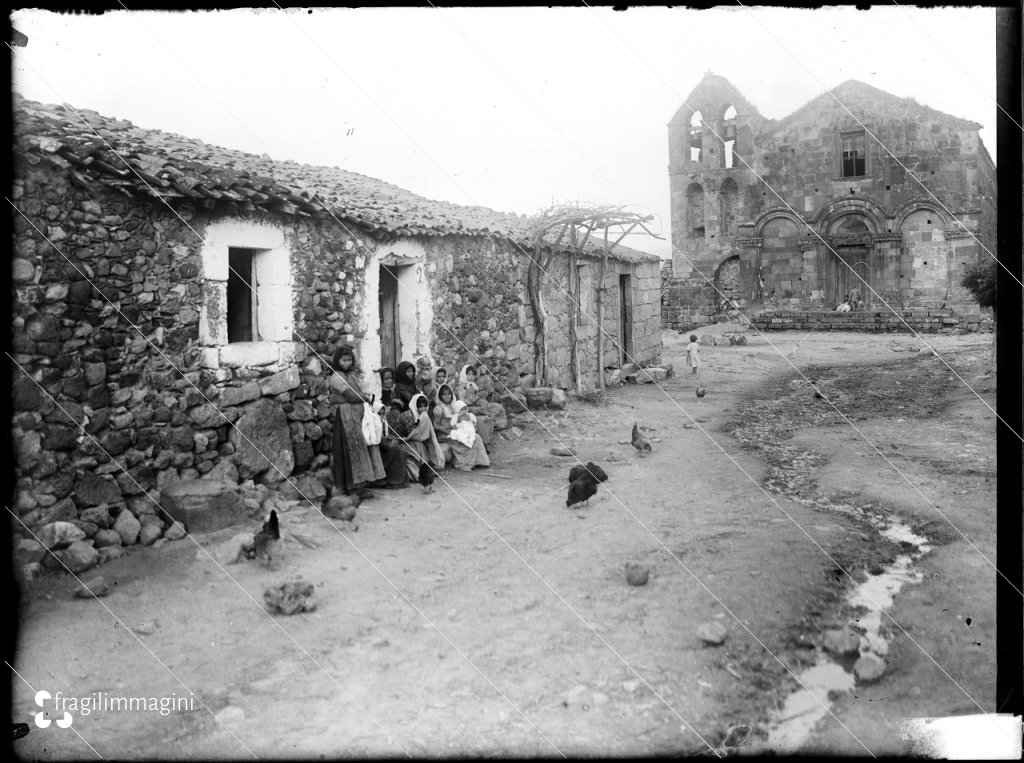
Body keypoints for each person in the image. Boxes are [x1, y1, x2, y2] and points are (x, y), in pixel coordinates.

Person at [329, 345, 386, 496]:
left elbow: (354, 394)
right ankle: (351, 488)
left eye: (349, 360)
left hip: (356, 417)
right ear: (337, 361)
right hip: (345, 418)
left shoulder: (351, 376)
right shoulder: (336, 377)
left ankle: (362, 486)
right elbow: (351, 396)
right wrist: (365, 397)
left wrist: (360, 396)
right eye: (343, 360)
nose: (347, 363)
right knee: (352, 451)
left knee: (362, 448)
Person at [398, 393, 446, 481]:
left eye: (425, 406)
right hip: (401, 442)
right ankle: (420, 475)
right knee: (419, 446)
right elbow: (412, 434)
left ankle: (426, 472)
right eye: (420, 406)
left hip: (414, 441)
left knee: (422, 445)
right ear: (415, 406)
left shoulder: (423, 416)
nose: (423, 409)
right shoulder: (408, 416)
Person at [448, 400, 490, 471]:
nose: (464, 411)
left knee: (476, 438)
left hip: (469, 430)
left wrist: (471, 421)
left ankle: (481, 461)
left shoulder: (469, 415)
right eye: (462, 409)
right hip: (460, 430)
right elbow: (453, 424)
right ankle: (466, 464)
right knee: (464, 439)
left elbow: (474, 421)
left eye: (465, 409)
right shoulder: (456, 416)